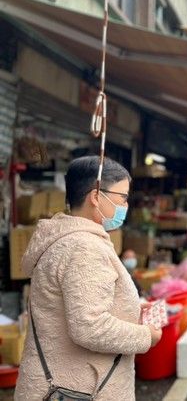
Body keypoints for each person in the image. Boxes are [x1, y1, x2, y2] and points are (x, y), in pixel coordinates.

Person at [15, 156, 162, 401]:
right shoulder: (84, 247)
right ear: (96, 196)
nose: (125, 205)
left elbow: (76, 307)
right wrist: (147, 336)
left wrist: (129, 309)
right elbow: (89, 327)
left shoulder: (67, 240)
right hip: (79, 389)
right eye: (122, 197)